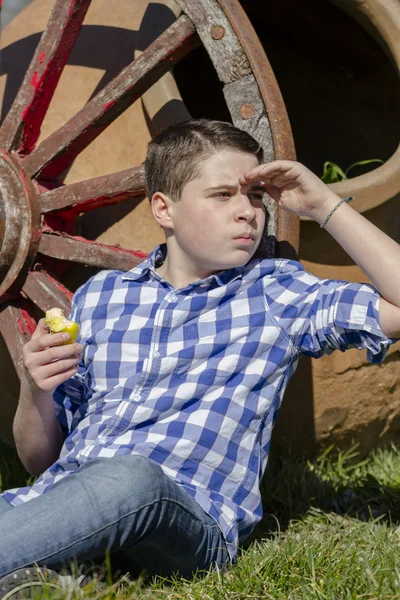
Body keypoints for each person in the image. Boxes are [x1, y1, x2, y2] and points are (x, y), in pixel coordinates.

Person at [0, 119, 399, 593]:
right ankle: (50, 573)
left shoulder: (275, 292)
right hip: (64, 495)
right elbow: (40, 461)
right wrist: (34, 389)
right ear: (164, 209)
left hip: (184, 520)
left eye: (254, 197)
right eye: (222, 195)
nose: (248, 213)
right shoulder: (101, 296)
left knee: (130, 477)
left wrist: (323, 204)